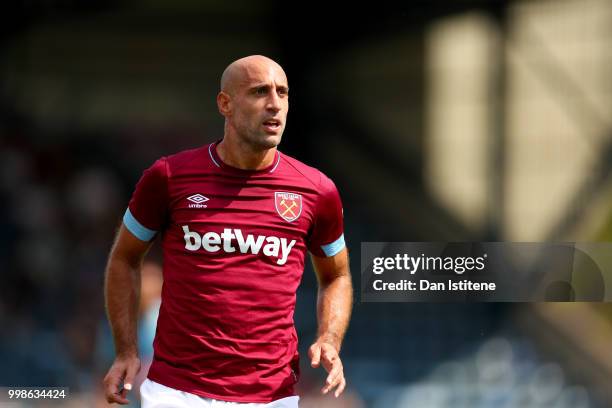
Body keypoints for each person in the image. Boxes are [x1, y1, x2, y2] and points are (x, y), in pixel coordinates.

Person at [103, 55, 353, 408]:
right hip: (176, 392)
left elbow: (337, 275)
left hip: (272, 396)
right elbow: (124, 258)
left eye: (282, 93)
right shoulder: (169, 177)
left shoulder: (316, 190)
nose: (275, 104)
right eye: (259, 92)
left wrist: (330, 337)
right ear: (226, 104)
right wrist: (125, 351)